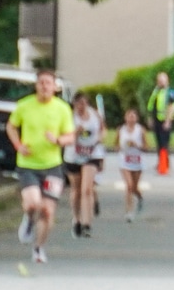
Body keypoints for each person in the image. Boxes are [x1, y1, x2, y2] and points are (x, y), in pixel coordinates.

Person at [6, 68, 74, 264]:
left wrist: (58, 140)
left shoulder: (62, 108)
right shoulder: (24, 105)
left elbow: (70, 136)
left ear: (55, 87)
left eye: (48, 83)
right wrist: (18, 145)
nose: (44, 86)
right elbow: (11, 126)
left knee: (47, 211)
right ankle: (28, 219)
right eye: (41, 83)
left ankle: (38, 248)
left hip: (53, 167)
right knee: (33, 203)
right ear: (36, 85)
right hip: (28, 165)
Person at [66, 92, 105, 237]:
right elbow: (65, 137)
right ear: (74, 104)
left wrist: (100, 138)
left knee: (87, 189)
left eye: (84, 103)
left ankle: (87, 223)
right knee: (76, 190)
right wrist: (76, 133)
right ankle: (76, 219)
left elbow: (103, 129)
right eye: (78, 104)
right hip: (74, 156)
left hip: (92, 154)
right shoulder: (69, 117)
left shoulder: (95, 115)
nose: (81, 107)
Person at [146, 71, 174, 173]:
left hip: (165, 120)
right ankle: (160, 161)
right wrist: (150, 118)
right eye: (159, 81)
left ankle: (165, 163)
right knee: (159, 142)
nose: (160, 83)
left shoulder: (170, 92)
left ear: (167, 81)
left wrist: (168, 121)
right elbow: (151, 105)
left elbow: (171, 107)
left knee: (164, 143)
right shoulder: (156, 91)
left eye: (162, 80)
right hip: (157, 120)